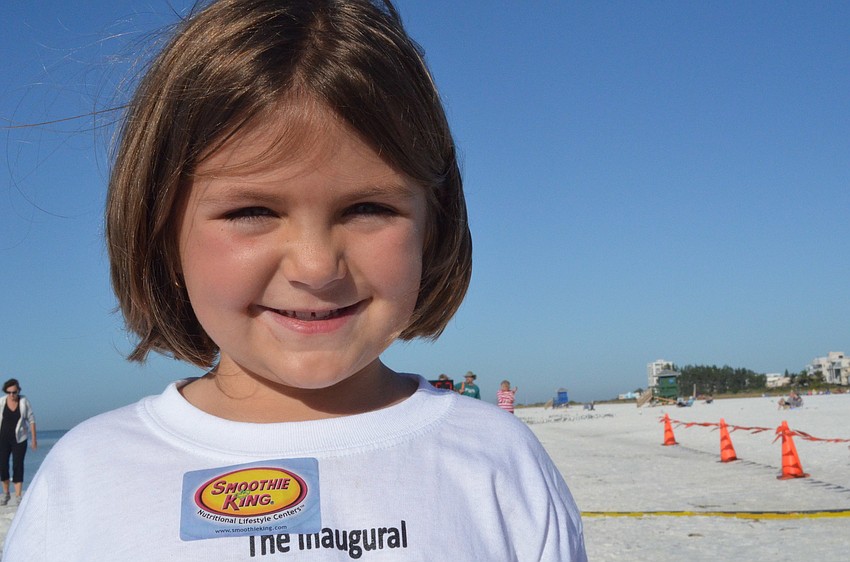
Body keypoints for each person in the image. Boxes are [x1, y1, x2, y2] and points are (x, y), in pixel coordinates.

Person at [5, 1, 586, 560]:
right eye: (251, 212)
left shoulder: (497, 461)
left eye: (366, 209)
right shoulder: (90, 474)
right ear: (159, 231)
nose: (314, 267)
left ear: (434, 224)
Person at [0, 379, 36, 506]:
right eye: (9, 392)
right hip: (3, 439)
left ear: (18, 391)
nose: (12, 395)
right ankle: (6, 494)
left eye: (14, 392)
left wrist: (34, 440)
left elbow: (31, 420)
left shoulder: (23, 401)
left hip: (19, 439)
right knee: (3, 466)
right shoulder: (2, 402)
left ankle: (18, 495)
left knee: (17, 465)